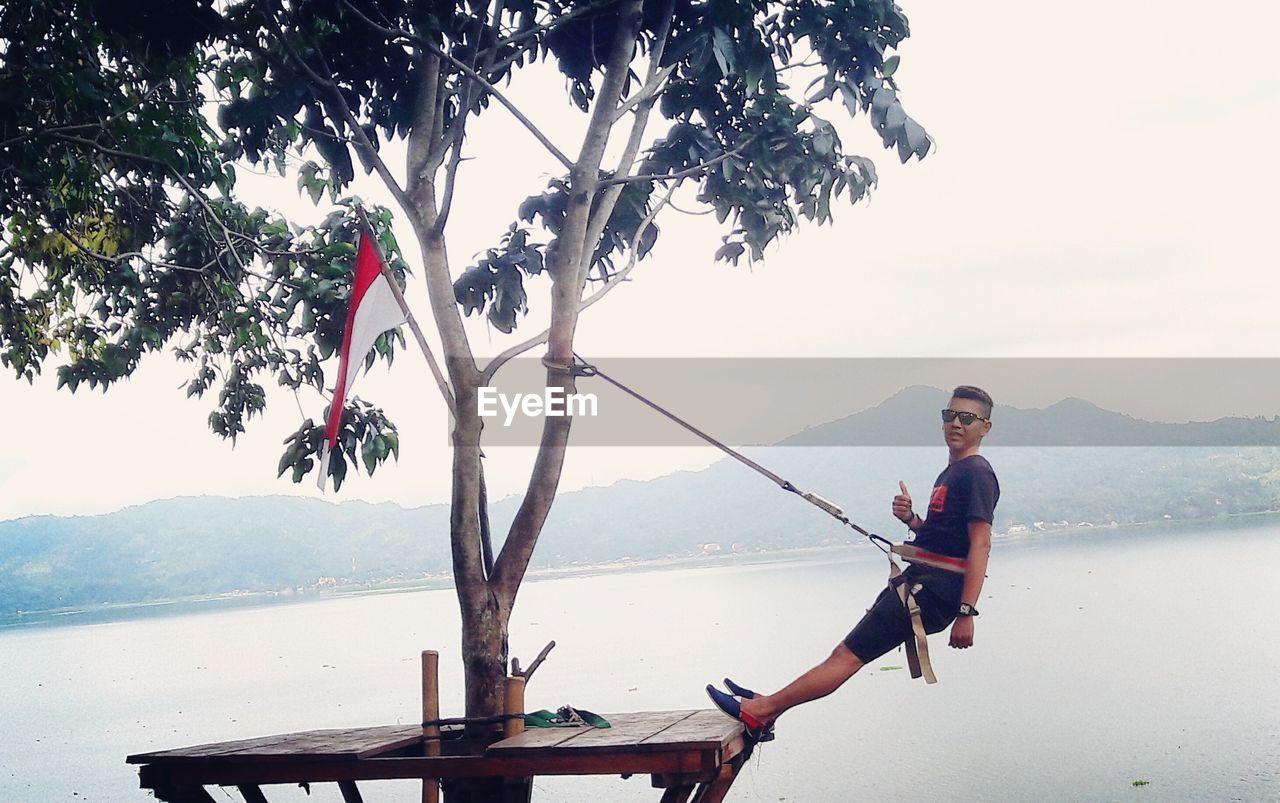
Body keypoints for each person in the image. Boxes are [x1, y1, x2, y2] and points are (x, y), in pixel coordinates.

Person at [707, 385, 1000, 739]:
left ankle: (760, 712)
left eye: (966, 418)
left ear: (984, 427)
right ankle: (768, 705)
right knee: (844, 653)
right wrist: (912, 522)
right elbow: (946, 540)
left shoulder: (977, 473)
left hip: (932, 592)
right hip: (923, 584)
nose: (956, 423)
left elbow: (980, 544)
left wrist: (967, 612)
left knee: (846, 656)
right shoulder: (953, 472)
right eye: (949, 415)